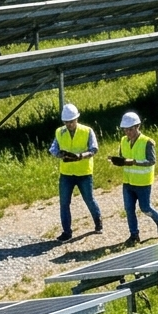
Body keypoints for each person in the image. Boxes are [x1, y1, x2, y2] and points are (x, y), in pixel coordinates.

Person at [110, 110, 158, 243]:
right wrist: (118, 161)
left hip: (143, 183)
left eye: (130, 129)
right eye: (125, 130)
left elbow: (152, 161)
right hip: (128, 182)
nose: (127, 133)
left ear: (137, 127)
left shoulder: (148, 142)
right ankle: (134, 235)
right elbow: (123, 158)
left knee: (145, 208)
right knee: (129, 209)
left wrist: (134, 162)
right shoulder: (123, 141)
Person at [50, 103, 103, 241]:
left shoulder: (87, 131)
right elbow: (53, 149)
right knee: (64, 203)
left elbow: (94, 149)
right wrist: (59, 154)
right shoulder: (59, 132)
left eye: (71, 121)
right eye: (66, 122)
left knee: (89, 199)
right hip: (66, 173)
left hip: (84, 173)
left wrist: (80, 156)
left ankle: (98, 222)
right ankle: (67, 232)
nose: (69, 125)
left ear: (77, 119)